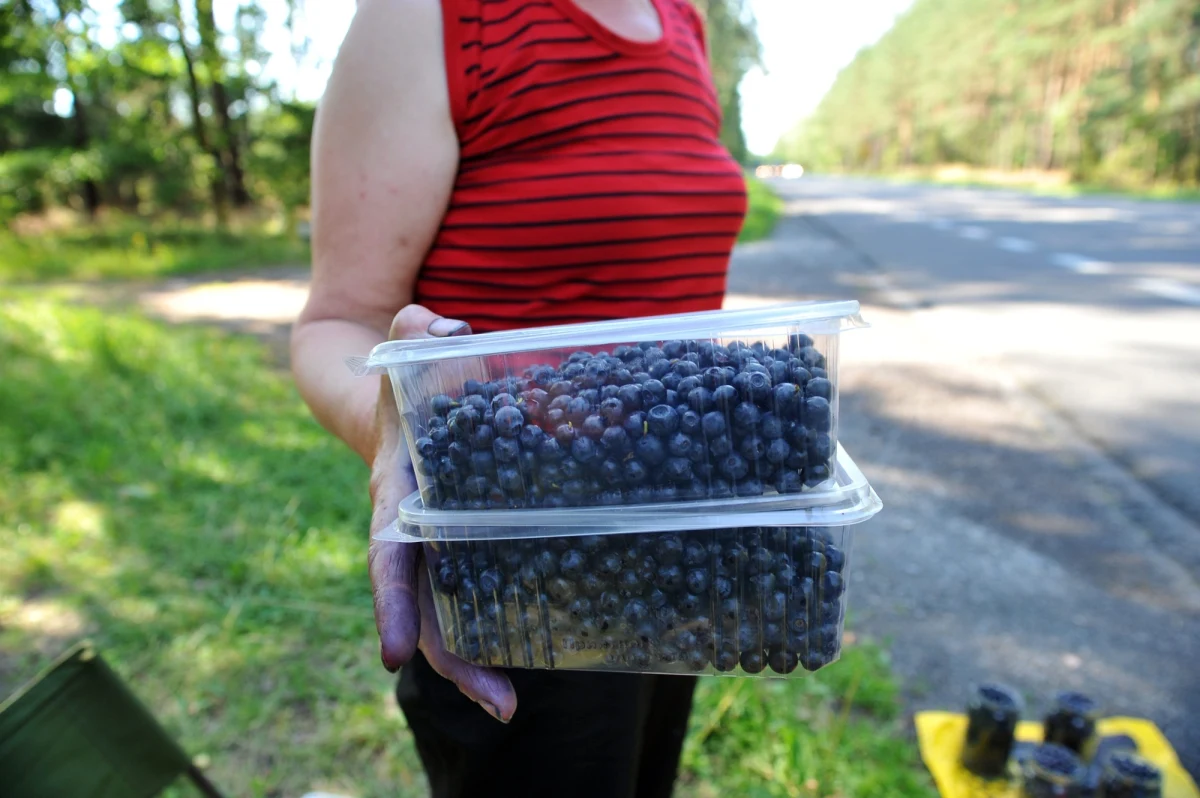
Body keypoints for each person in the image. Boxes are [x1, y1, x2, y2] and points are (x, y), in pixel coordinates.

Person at [290, 0, 748, 795]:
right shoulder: (427, 16)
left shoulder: (682, 20)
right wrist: (406, 437)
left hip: (679, 548)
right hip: (524, 581)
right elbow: (338, 321)